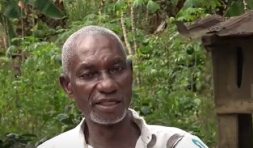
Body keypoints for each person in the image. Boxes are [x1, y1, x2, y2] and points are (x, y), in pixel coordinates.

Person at [38, 26, 208, 148]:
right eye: (89, 74)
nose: (108, 85)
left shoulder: (177, 144)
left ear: (131, 72)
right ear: (68, 86)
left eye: (117, 69)